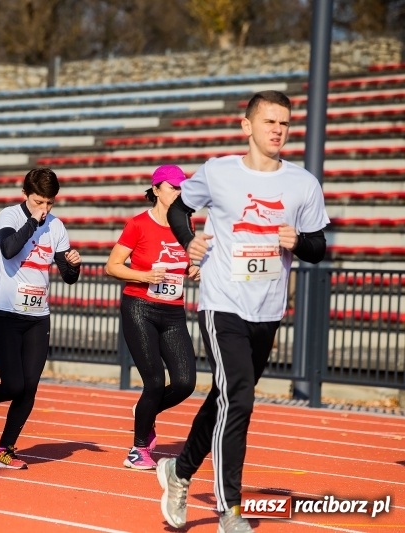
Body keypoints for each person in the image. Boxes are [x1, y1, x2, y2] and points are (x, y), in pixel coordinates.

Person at [157, 90, 329, 533]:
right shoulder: (218, 173)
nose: (278, 130)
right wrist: (188, 241)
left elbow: (318, 247)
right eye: (269, 121)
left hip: (267, 309)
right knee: (241, 398)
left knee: (226, 397)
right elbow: (178, 207)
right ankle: (228, 509)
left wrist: (299, 243)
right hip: (222, 303)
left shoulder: (303, 183)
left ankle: (179, 472)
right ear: (246, 126)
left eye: (285, 123)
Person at [0, 167, 82, 469]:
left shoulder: (57, 227)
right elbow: (10, 249)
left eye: (50, 203)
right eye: (39, 201)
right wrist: (33, 221)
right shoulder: (10, 216)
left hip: (38, 316)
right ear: (25, 195)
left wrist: (73, 265)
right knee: (13, 385)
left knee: (30, 387)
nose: (45, 208)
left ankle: (4, 450)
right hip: (5, 312)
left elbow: (68, 277)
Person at [104, 164, 199, 470]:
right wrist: (144, 275)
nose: (178, 192)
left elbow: (187, 262)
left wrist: (194, 269)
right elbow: (112, 266)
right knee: (155, 381)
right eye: (173, 187)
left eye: (181, 187)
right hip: (140, 308)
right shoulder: (138, 224)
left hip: (173, 311)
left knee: (185, 382)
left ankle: (146, 412)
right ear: (156, 189)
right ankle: (138, 449)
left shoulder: (186, 225)